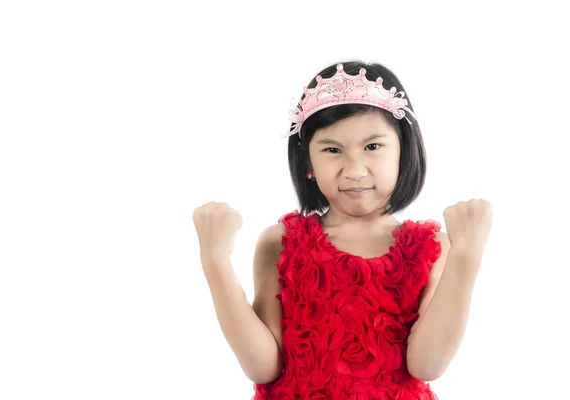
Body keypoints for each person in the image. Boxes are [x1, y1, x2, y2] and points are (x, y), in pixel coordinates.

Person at [192, 60, 493, 399]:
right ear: (308, 161)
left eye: (373, 147)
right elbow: (263, 366)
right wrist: (214, 261)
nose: (355, 170)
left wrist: (466, 257)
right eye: (333, 150)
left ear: (403, 150)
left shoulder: (429, 248)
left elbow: (426, 365)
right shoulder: (281, 243)